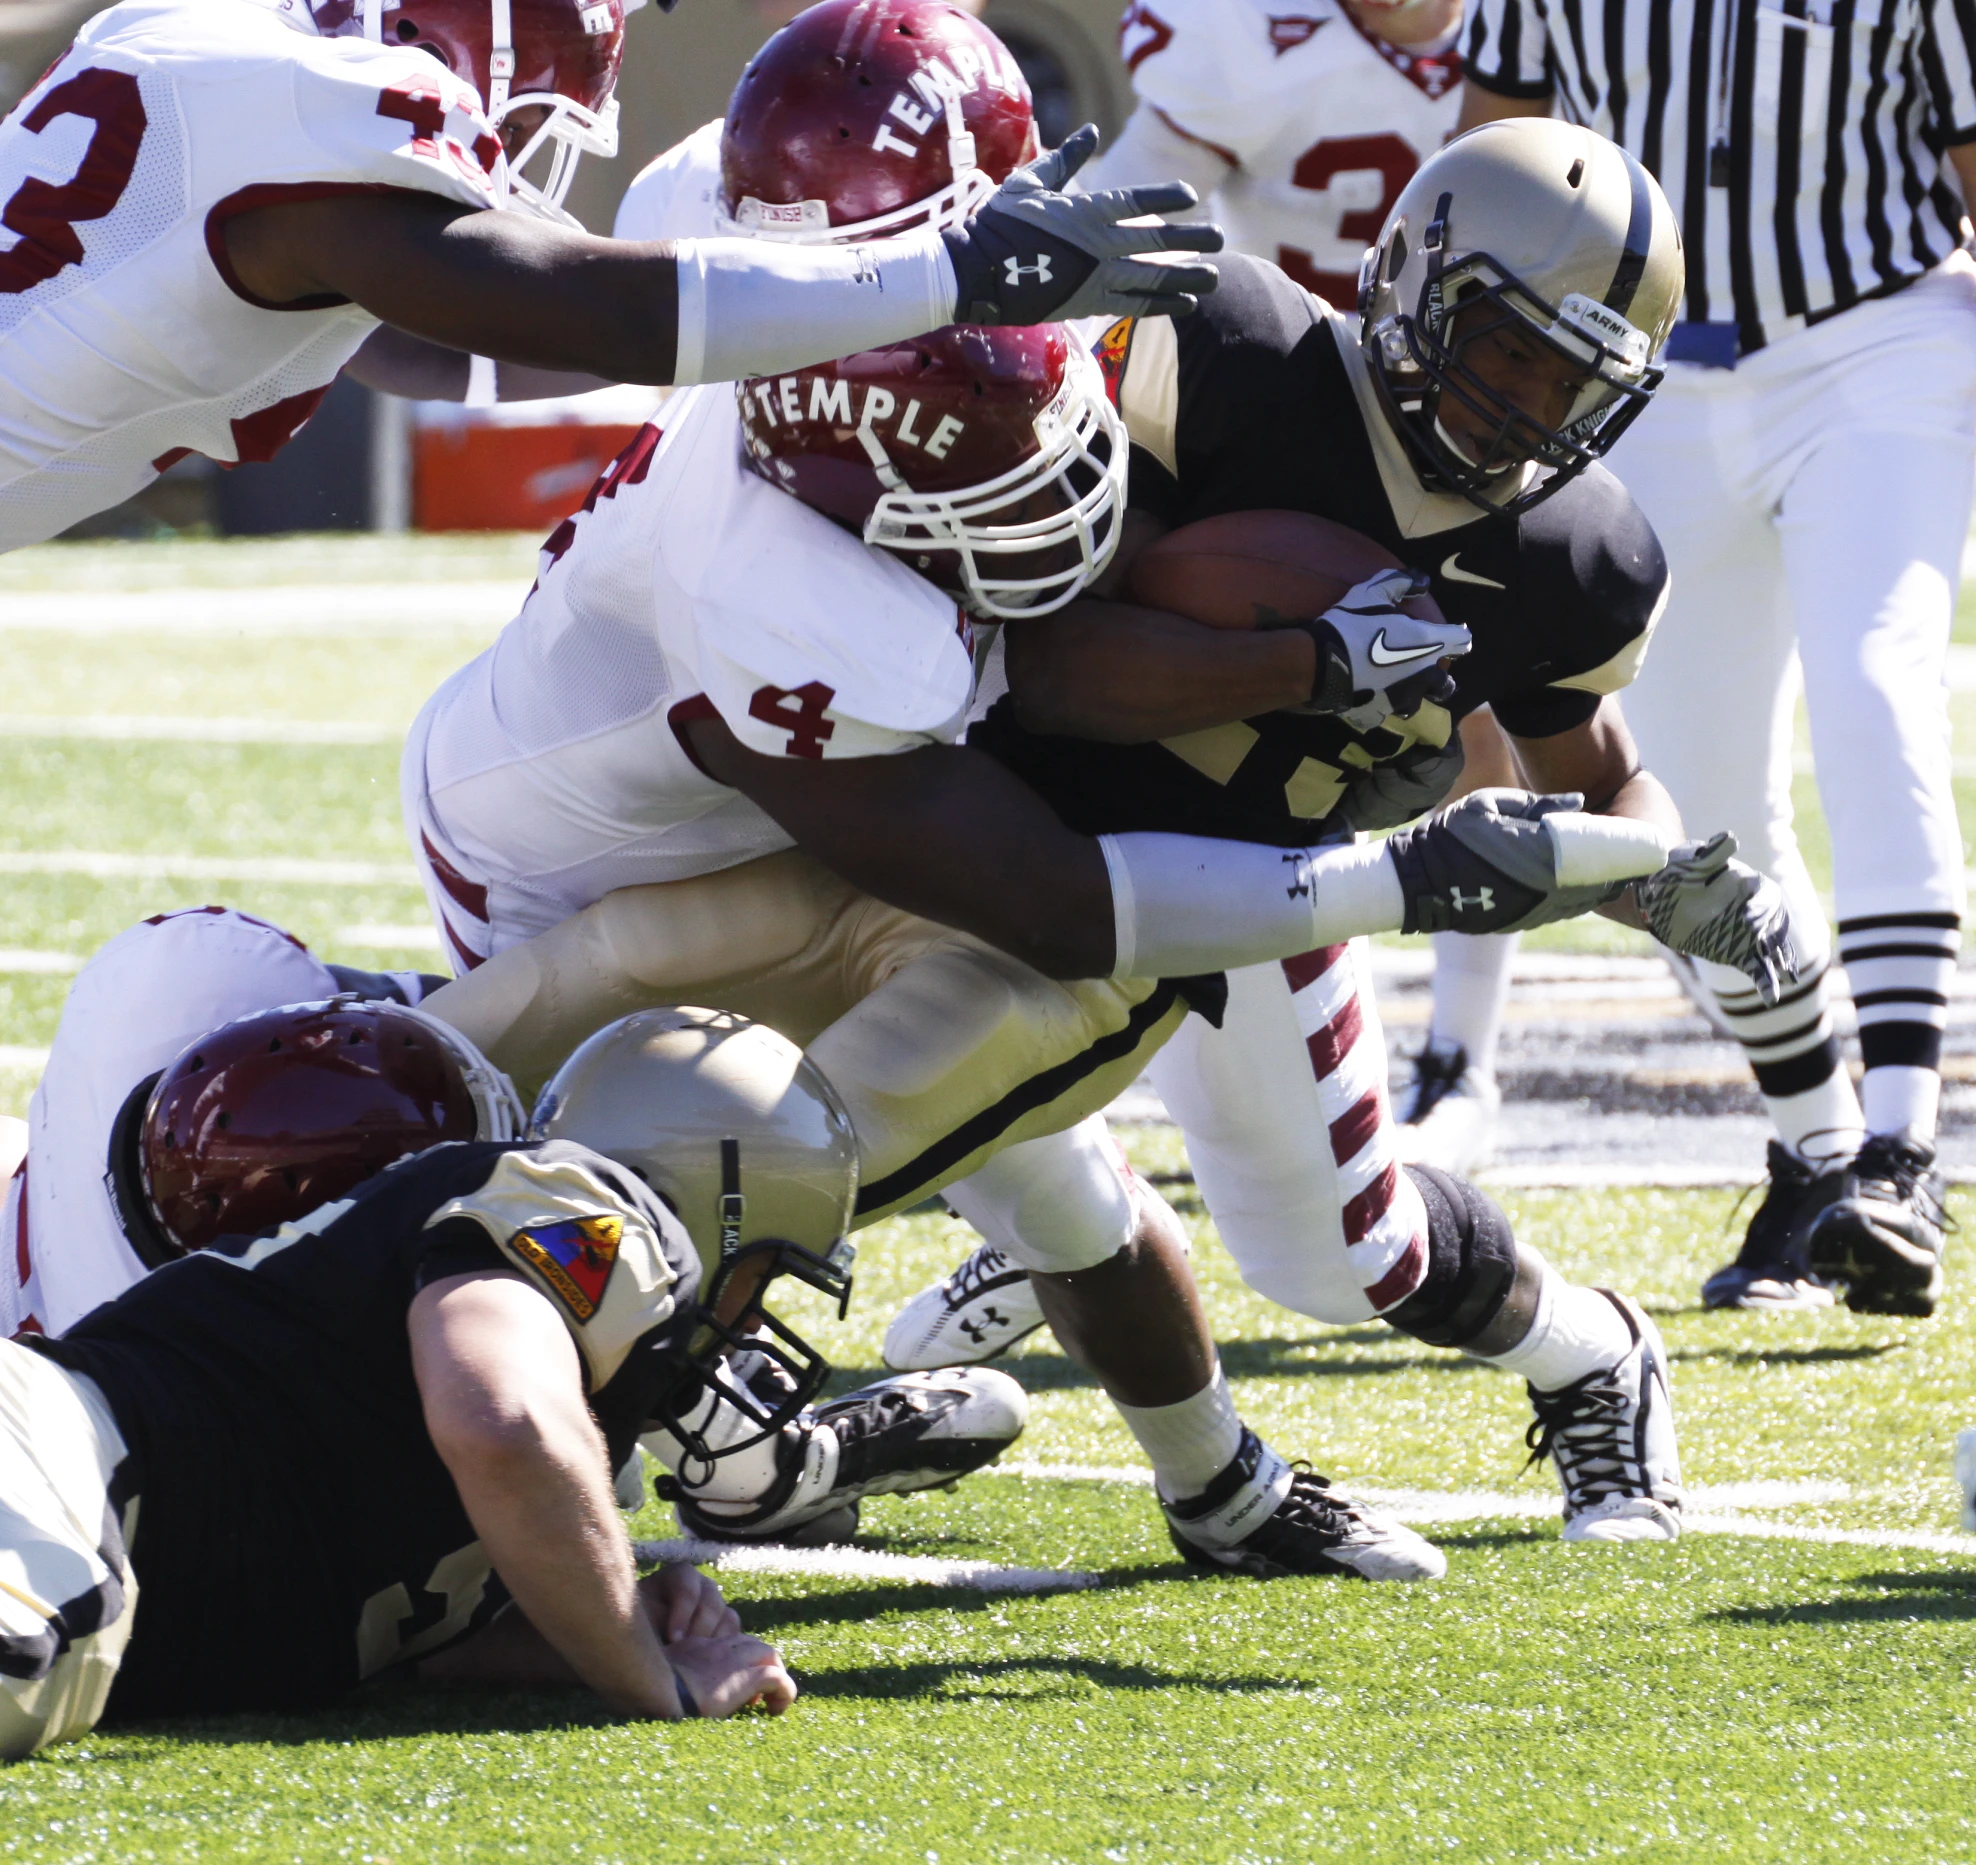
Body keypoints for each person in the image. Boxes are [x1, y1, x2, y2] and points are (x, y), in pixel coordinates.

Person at [887, 119, 1809, 1546]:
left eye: (1573, 378)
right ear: (1417, 278)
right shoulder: (1232, 348)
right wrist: (1312, 660)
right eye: (1507, 348)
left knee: (1343, 1258)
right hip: (1002, 795)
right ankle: (1053, 1204)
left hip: (1268, 879)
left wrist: (1649, 871)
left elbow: (1606, 780)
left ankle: (1592, 1351)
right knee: (835, 1056)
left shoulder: (1574, 555)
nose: (1526, 406)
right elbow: (1056, 653)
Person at [1459, 0, 1976, 1316]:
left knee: (1876, 683)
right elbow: (1491, 157)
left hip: (1879, 333)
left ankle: (1905, 1148)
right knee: (1680, 807)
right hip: (1644, 374)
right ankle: (1820, 1142)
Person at [0, 0, 1216, 551]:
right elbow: (591, 309)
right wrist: (950, 276)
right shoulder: (325, 116)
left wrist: (793, 300)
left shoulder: (184, 36)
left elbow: (442, 344)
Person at [0, 1004, 864, 1756]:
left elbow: (412, 1632)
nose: (750, 1322)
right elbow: (504, 1424)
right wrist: (653, 1682)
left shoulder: (484, 1381)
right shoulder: (596, 1204)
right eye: (766, 1276)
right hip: (61, 1454)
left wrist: (611, 1617)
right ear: (725, 1210)